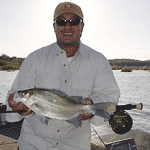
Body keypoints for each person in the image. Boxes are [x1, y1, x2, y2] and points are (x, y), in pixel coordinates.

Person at [6, 2, 120, 150]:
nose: (67, 26)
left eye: (74, 21)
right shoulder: (34, 58)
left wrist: (92, 106)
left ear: (82, 26)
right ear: (54, 26)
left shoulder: (98, 61)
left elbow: (110, 97)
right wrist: (17, 106)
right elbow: (15, 95)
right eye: (61, 21)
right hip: (33, 145)